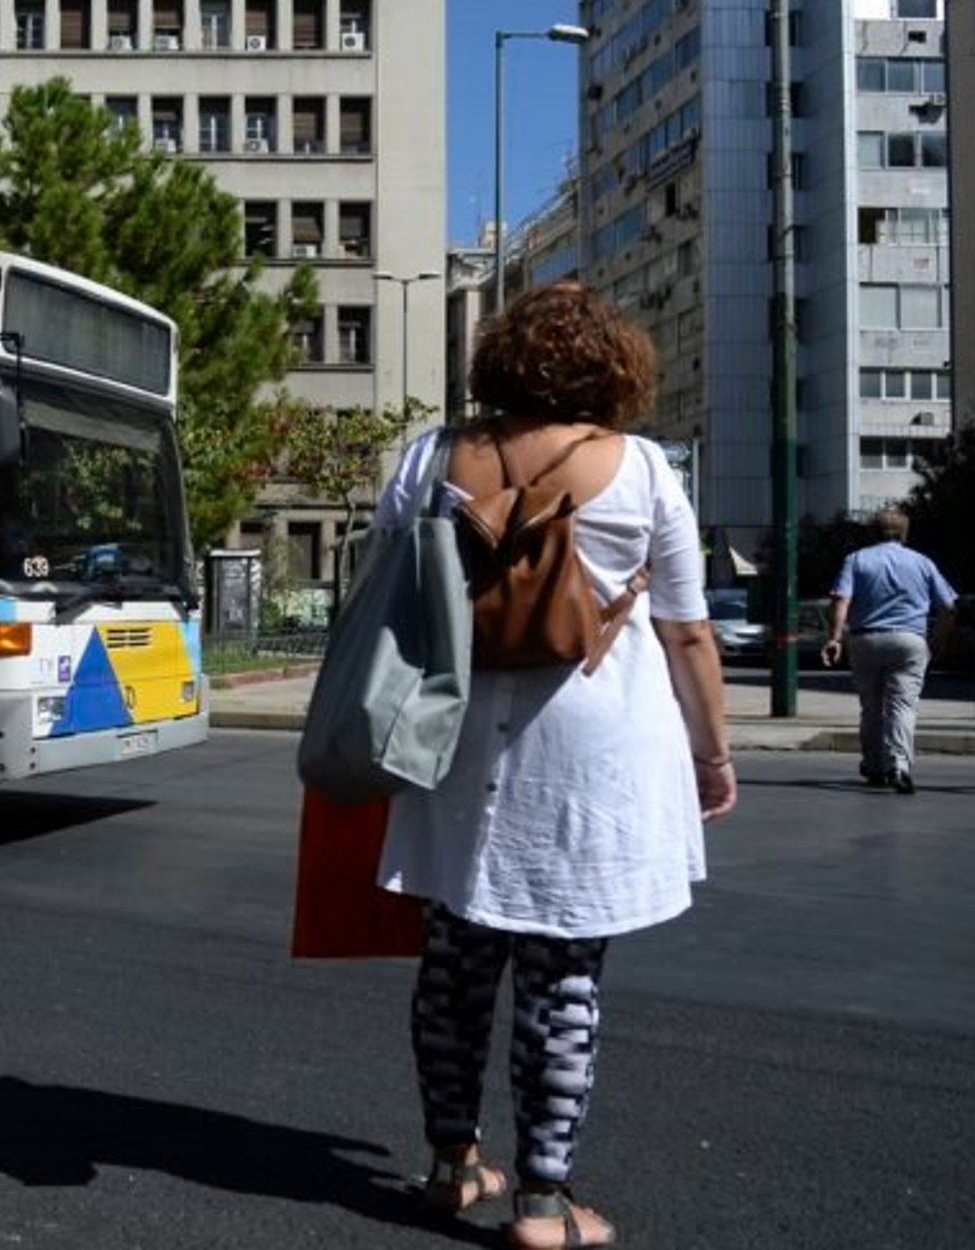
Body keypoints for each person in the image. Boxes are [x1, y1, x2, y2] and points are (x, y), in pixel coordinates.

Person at [371, 282, 736, 1250]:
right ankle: (540, 1201)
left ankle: (452, 1166)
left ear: (498, 358)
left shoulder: (427, 456)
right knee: (561, 976)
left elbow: (380, 594)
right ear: (612, 365)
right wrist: (713, 750)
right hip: (592, 754)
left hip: (449, 743)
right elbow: (688, 630)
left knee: (451, 967)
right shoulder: (645, 468)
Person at [818, 507, 956, 794]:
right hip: (909, 639)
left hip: (865, 639)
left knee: (871, 706)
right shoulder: (922, 563)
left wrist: (834, 638)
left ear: (873, 532)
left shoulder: (856, 560)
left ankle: (874, 765)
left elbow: (840, 600)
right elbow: (948, 606)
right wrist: (938, 640)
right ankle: (900, 765)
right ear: (905, 533)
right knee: (902, 705)